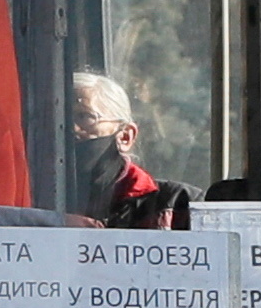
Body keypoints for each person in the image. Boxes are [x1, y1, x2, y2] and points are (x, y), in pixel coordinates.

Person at [64, 69, 197, 229]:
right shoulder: (32, 199)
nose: (70, 128)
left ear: (125, 136)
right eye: (60, 117)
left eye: (85, 116)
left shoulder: (177, 205)